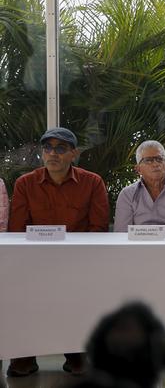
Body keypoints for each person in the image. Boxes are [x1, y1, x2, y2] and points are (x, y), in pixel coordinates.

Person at [8, 127, 109, 377]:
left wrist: (75, 260)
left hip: (78, 259)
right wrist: (33, 263)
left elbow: (98, 228)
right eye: (48, 148)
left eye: (60, 148)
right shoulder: (25, 183)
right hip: (34, 260)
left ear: (73, 154)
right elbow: (16, 231)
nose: (53, 153)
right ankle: (24, 353)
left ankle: (76, 352)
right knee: (22, 292)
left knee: (78, 291)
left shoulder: (92, 182)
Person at [114, 140, 165, 232]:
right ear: (138, 169)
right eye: (148, 160)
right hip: (139, 245)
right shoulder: (127, 194)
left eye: (159, 159)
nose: (155, 164)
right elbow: (121, 234)